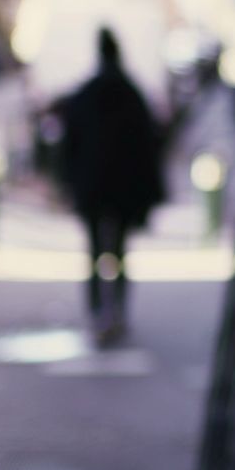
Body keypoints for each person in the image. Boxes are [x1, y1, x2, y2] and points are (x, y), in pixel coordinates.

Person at [56, 28, 165, 345]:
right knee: (118, 251)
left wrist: (68, 181)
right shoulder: (131, 94)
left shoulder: (86, 93)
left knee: (93, 251)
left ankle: (96, 311)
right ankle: (115, 309)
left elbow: (69, 143)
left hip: (92, 185)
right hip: (123, 186)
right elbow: (148, 145)